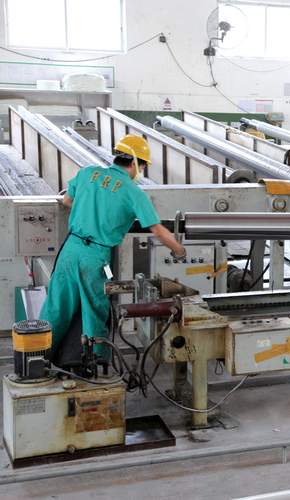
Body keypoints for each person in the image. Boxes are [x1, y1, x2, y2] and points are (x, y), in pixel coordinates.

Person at [40, 135, 186, 361]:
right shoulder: (133, 192)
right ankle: (95, 363)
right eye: (143, 166)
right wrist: (179, 250)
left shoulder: (87, 173)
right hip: (94, 257)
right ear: (136, 163)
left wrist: (89, 212)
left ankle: (37, 357)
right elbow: (157, 230)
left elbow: (67, 201)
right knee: (94, 311)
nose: (142, 171)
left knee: (56, 307)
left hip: (70, 248)